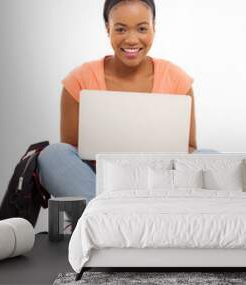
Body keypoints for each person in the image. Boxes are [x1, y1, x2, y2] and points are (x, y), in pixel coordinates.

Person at [38, 0, 210, 201]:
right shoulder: (79, 80)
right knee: (53, 155)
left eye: (142, 29)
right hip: (98, 185)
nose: (131, 40)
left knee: (212, 157)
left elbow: (189, 149)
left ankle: (118, 214)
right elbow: (70, 154)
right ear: (107, 29)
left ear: (154, 28)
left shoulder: (178, 80)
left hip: (159, 183)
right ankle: (114, 211)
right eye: (120, 29)